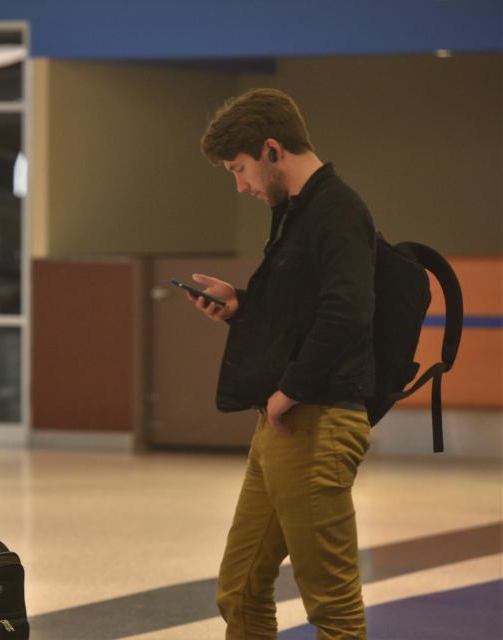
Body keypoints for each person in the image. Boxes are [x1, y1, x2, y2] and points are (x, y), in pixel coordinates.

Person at [192, 89, 376, 639]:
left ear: (272, 149)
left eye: (240, 168)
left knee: (333, 609)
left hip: (317, 422)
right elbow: (304, 310)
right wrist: (240, 305)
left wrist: (288, 391)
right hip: (283, 423)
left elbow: (346, 315)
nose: (241, 185)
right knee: (240, 590)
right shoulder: (294, 213)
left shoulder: (337, 209)